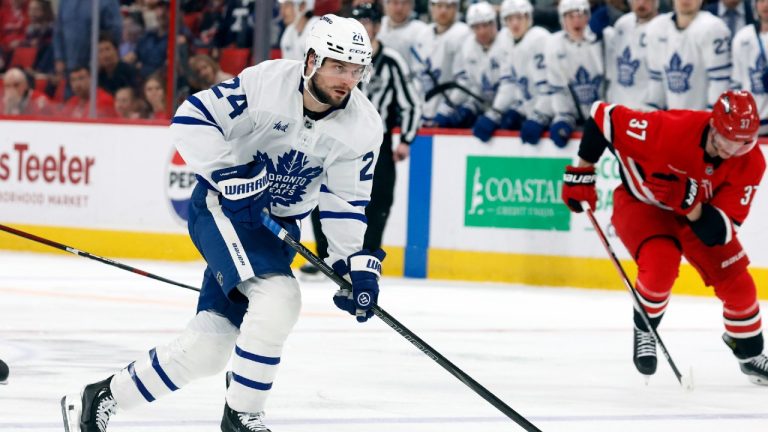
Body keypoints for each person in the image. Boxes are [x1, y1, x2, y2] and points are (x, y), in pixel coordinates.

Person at [61, 13, 384, 432]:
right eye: (338, 66)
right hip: (222, 209)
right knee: (280, 298)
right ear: (310, 61)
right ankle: (243, 415)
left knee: (210, 346)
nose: (347, 79)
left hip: (277, 232)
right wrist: (233, 175)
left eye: (356, 69)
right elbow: (191, 119)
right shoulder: (267, 83)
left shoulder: (363, 125)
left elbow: (345, 201)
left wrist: (349, 267)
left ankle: (98, 398)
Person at [561, 89, 768, 385]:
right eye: (725, 140)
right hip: (642, 205)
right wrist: (582, 171)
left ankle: (749, 355)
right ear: (713, 125)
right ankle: (646, 328)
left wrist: (691, 204)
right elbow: (601, 117)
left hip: (697, 218)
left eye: (742, 144)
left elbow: (718, 232)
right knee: (661, 265)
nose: (731, 151)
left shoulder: (752, 163)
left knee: (740, 287)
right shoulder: (668, 128)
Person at [300, 2, 420, 278]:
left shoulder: (391, 61)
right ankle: (325, 257)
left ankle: (366, 260)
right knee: (323, 193)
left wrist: (407, 139)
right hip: (334, 135)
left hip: (379, 140)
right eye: (358, 20)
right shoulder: (333, 56)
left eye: (368, 21)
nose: (363, 27)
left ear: (378, 25)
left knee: (377, 200)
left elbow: (411, 103)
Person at [472, 0, 552, 143]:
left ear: (528, 18)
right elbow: (508, 84)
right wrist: (496, 112)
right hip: (527, 110)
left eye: (519, 17)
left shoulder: (540, 38)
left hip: (550, 112)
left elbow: (550, 87)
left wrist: (541, 115)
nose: (515, 23)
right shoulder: (506, 41)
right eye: (510, 19)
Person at [645, 0, 732, 110]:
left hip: (703, 118)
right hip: (670, 118)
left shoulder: (714, 28)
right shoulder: (657, 27)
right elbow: (656, 80)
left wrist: (712, 119)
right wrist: (652, 113)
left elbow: (720, 82)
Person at [544, 0, 605, 148]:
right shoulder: (554, 45)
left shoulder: (604, 40)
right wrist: (563, 118)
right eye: (570, 16)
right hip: (577, 121)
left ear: (588, 17)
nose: (576, 21)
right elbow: (558, 90)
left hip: (605, 120)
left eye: (580, 15)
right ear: (562, 19)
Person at [432, 1, 502, 129]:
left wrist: (495, 114)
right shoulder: (468, 47)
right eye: (476, 27)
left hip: (509, 109)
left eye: (486, 25)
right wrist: (466, 107)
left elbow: (512, 86)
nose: (482, 31)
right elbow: (471, 84)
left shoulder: (506, 45)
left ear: (494, 23)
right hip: (487, 109)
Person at [410, 0, 471, 125]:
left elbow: (465, 79)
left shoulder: (463, 34)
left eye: (448, 6)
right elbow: (416, 76)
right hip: (422, 112)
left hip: (450, 113)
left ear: (456, 8)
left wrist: (447, 110)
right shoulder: (423, 34)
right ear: (431, 7)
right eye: (439, 6)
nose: (443, 10)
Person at [604, 0, 658, 110]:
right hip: (618, 106)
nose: (641, 3)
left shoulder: (664, 28)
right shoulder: (622, 23)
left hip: (647, 109)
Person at [731, 0, 768, 135]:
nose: (766, 5)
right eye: (762, 0)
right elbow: (736, 83)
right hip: (750, 126)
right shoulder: (742, 37)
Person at [378, 0, 428, 67]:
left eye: (405, 3)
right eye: (395, 3)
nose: (400, 8)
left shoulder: (422, 30)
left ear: (412, 6)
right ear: (386, 5)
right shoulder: (376, 26)